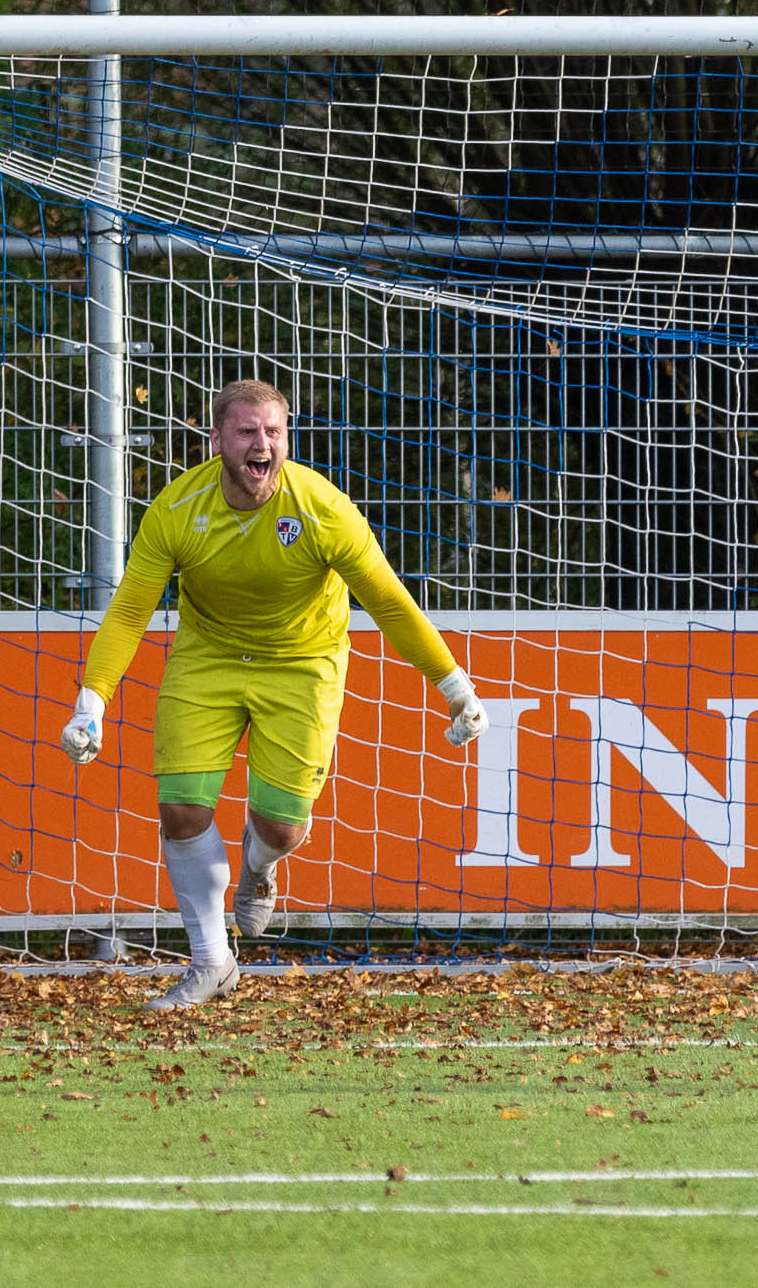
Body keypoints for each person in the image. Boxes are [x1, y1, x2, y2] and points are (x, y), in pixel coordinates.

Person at [57, 379, 489, 1010]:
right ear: (217, 441)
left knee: (282, 827)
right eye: (247, 432)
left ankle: (259, 869)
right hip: (209, 657)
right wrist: (90, 704)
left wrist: (454, 686)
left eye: (274, 432)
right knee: (180, 809)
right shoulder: (178, 509)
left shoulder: (322, 508)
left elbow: (391, 602)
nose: (263, 445)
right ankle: (210, 962)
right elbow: (127, 613)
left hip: (304, 662)